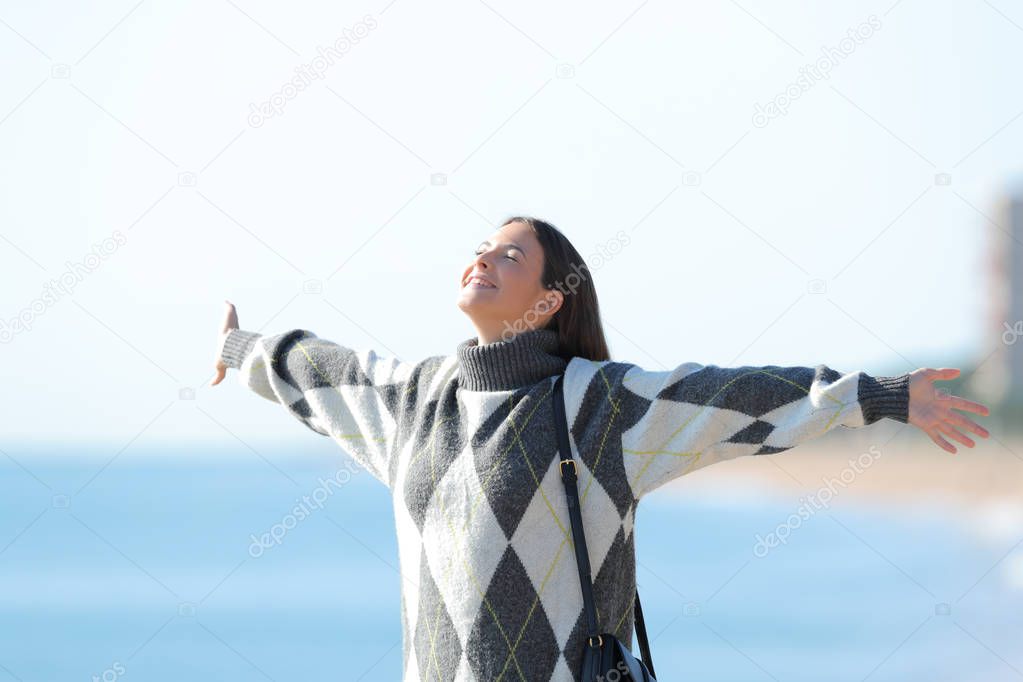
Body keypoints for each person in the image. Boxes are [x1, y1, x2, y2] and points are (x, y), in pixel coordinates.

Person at [210, 216, 990, 681]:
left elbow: (730, 397)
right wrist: (242, 345)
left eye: (510, 256)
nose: (483, 257)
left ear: (548, 303)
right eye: (481, 246)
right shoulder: (414, 399)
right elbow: (319, 366)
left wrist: (877, 397)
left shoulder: (598, 405)